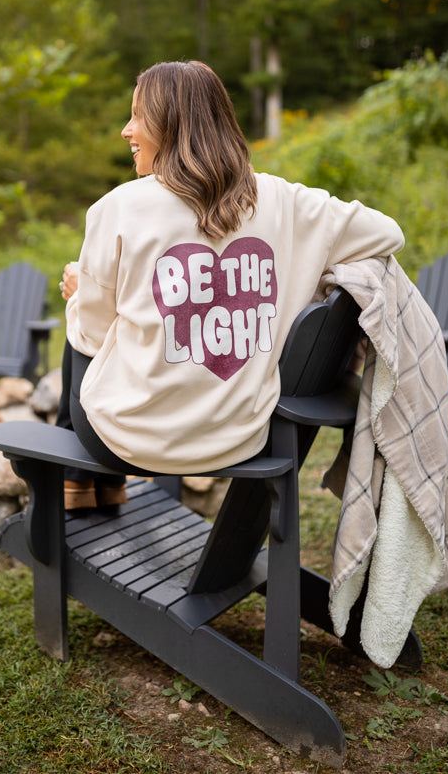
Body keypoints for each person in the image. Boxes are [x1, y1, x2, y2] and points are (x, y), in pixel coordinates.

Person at [58, 60, 405, 509]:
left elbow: (93, 333)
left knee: (78, 315)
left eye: (138, 116)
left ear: (172, 123)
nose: (127, 130)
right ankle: (97, 489)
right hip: (240, 438)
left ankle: (76, 483)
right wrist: (302, 273)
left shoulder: (119, 207)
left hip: (128, 442)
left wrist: (81, 290)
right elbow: (387, 233)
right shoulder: (282, 200)